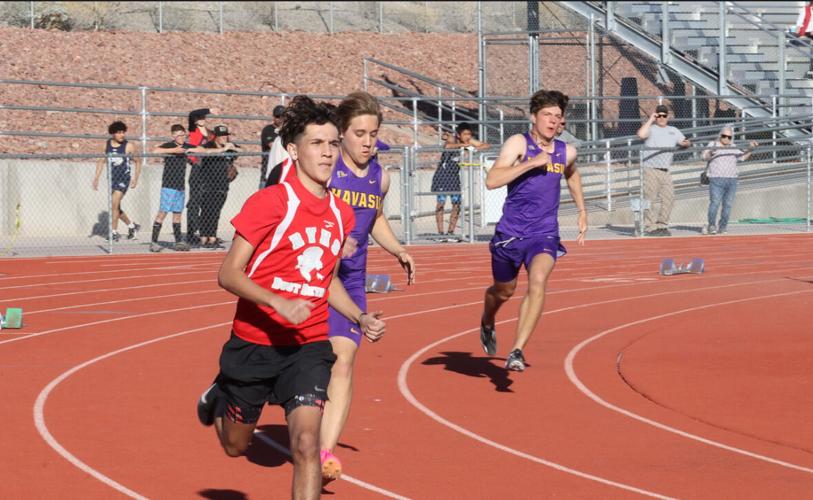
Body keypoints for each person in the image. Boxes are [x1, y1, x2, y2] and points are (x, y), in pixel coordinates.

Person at [195, 95, 386, 500]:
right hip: (254, 343)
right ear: (294, 150)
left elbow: (326, 281)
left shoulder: (341, 214)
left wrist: (358, 316)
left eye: (333, 143)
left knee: (305, 446)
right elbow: (228, 273)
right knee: (235, 447)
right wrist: (276, 302)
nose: (328, 152)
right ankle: (219, 398)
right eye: (317, 143)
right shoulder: (270, 203)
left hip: (307, 346)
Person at [319, 91, 416, 484]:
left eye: (373, 134)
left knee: (343, 360)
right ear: (341, 134)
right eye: (359, 133)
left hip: (352, 282)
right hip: (312, 277)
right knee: (301, 363)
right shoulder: (325, 170)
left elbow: (374, 217)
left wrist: (398, 250)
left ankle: (324, 455)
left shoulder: (381, 174)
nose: (367, 141)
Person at [479, 90, 587, 372]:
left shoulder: (566, 151)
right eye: (547, 115)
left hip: (544, 233)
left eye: (557, 117)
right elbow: (492, 181)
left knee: (538, 280)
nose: (552, 121)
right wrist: (530, 163)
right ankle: (488, 319)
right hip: (510, 234)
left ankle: (517, 350)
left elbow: (572, 173)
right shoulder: (518, 143)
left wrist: (582, 210)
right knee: (503, 291)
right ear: (533, 117)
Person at [150, 124, 233, 252]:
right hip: (168, 186)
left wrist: (222, 149)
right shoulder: (170, 145)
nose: (181, 137)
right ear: (173, 136)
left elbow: (203, 150)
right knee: (162, 213)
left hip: (180, 187)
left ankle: (178, 242)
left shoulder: (186, 146)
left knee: (177, 214)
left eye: (183, 135)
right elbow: (154, 150)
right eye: (178, 135)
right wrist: (174, 151)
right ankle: (154, 242)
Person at [636, 104, 691, 236]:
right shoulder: (651, 128)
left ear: (668, 116)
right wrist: (650, 119)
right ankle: (649, 226)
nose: (661, 118)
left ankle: (662, 225)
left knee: (669, 198)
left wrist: (686, 143)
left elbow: (685, 141)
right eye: (659, 115)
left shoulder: (673, 130)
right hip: (650, 169)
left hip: (665, 170)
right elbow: (641, 135)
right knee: (649, 199)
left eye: (664, 115)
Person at [431, 122, 489, 239]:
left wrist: (474, 148)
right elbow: (447, 146)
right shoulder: (454, 139)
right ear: (459, 135)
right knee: (441, 204)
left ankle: (450, 232)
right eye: (465, 134)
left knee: (456, 204)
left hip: (454, 176)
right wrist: (464, 146)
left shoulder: (469, 141)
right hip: (442, 176)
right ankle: (441, 233)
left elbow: (486, 145)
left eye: (469, 134)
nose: (468, 136)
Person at [701, 128, 756, 235]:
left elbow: (743, 157)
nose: (726, 139)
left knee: (728, 205)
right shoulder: (713, 144)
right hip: (716, 178)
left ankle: (723, 226)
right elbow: (703, 157)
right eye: (724, 136)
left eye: (729, 137)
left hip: (732, 179)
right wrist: (711, 152)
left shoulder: (733, 147)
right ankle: (711, 225)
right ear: (720, 135)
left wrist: (751, 149)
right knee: (715, 203)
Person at [92, 121, 141, 242]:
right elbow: (101, 161)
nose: (122, 135)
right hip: (112, 179)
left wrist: (135, 178)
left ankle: (113, 232)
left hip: (123, 179)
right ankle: (132, 226)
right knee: (116, 207)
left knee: (114, 204)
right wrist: (96, 178)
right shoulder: (106, 145)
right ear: (113, 133)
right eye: (119, 132)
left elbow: (138, 161)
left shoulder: (129, 146)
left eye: (123, 132)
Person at [198, 125, 239, 249]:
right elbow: (203, 151)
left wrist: (233, 148)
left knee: (216, 212)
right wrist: (222, 149)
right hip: (208, 185)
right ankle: (203, 237)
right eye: (221, 136)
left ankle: (212, 237)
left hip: (222, 186)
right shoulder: (209, 145)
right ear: (215, 136)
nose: (224, 138)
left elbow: (242, 150)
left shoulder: (229, 146)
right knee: (206, 211)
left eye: (225, 135)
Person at [186, 107, 218, 247]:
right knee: (194, 202)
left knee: (207, 202)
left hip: (209, 170)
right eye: (199, 118)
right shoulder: (194, 130)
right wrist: (209, 109)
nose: (201, 120)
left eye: (203, 117)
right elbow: (192, 113)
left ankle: (207, 233)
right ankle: (191, 233)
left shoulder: (211, 133)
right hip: (197, 168)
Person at [260, 104, 286, 189]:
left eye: (283, 116)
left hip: (283, 173)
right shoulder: (268, 130)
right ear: (273, 117)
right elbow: (273, 146)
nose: (280, 119)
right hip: (268, 173)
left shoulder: (287, 131)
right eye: (278, 116)